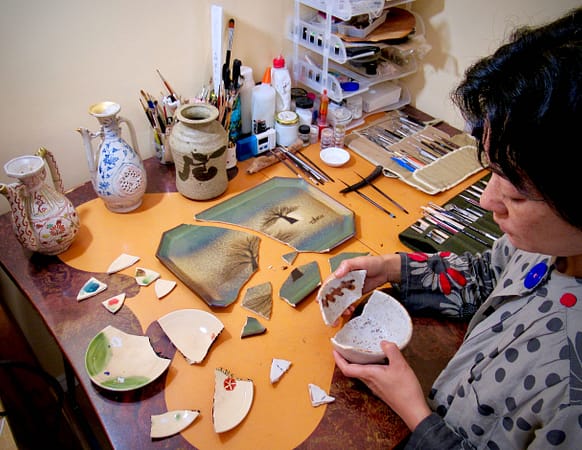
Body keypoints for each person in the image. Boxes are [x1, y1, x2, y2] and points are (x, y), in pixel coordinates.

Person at [331, 7, 582, 449]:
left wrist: (414, 411)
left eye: (517, 192)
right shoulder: (548, 245)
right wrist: (393, 270)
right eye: (491, 169)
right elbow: (489, 275)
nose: (487, 201)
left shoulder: (572, 390)